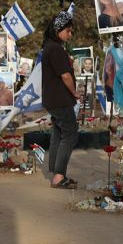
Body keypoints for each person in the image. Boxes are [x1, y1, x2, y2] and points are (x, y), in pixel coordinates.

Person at [39, 10, 80, 189]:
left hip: (53, 99)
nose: (70, 34)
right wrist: (75, 92)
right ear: (58, 30)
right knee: (70, 133)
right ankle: (58, 176)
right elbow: (65, 76)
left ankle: (55, 170)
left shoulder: (50, 47)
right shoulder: (55, 49)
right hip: (60, 99)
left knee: (58, 131)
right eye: (68, 31)